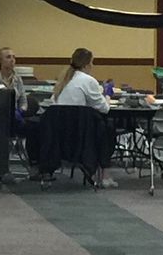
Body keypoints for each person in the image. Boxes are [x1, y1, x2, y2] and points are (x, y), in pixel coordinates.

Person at [49, 47, 117, 186]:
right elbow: (104, 108)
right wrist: (107, 96)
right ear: (87, 64)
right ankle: (104, 174)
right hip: (81, 133)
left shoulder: (62, 81)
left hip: (60, 132)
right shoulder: (89, 80)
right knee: (108, 129)